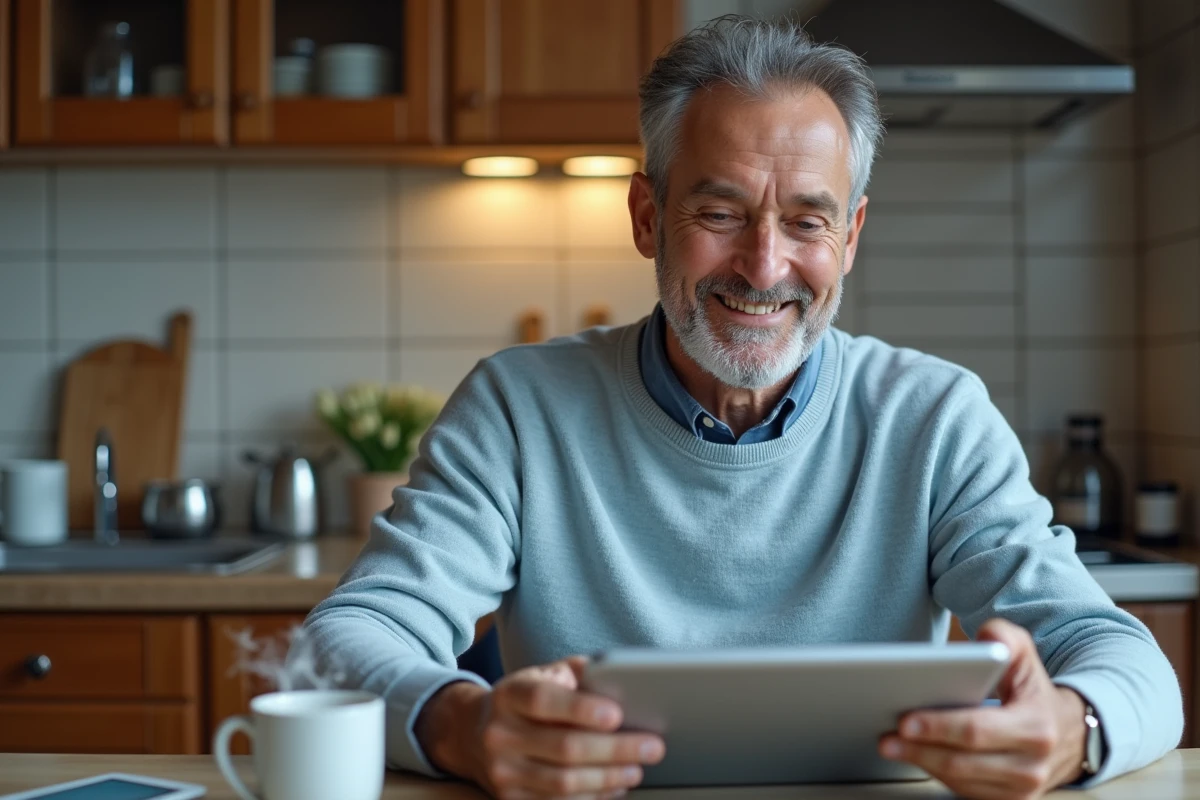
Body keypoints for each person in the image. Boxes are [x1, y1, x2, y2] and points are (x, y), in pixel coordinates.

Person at [296, 16, 1182, 800]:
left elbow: (1124, 659)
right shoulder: (520, 407)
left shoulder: (935, 416)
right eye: (720, 211)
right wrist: (467, 730)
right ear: (648, 216)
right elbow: (344, 640)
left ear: (853, 235)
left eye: (807, 222)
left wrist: (1075, 728)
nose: (763, 267)